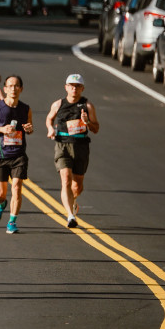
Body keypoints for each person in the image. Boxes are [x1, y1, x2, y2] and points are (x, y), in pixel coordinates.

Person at [46, 74, 99, 228]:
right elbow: (49, 119)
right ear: (66, 87)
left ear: (82, 88)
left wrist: (87, 122)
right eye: (71, 86)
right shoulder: (58, 104)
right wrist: (50, 129)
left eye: (77, 86)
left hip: (80, 146)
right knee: (66, 180)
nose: (74, 89)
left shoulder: (88, 106)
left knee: (77, 186)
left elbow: (96, 128)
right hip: (62, 144)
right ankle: (70, 216)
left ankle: (73, 200)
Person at [0, 75, 34, 234]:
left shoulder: (26, 108)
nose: (13, 89)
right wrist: (2, 129)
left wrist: (29, 129)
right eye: (10, 86)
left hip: (18, 155)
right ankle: (1, 204)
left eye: (16, 86)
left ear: (21, 89)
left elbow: (29, 128)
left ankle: (12, 222)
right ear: (5, 89)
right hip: (0, 155)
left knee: (16, 187)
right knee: (0, 194)